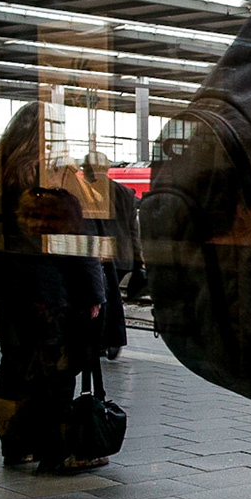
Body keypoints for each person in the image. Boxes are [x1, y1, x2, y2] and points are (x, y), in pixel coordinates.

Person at [1, 188, 107, 474]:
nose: (41, 223)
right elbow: (88, 268)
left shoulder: (25, 243)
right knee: (53, 385)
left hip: (49, 318)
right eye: (34, 216)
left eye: (50, 217)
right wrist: (93, 298)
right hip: (51, 321)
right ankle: (53, 452)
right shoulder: (50, 242)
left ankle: (20, 444)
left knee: (37, 385)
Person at [80, 152, 138, 359]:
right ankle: (113, 340)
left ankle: (105, 341)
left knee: (101, 299)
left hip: (101, 254)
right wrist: (138, 258)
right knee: (112, 298)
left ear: (87, 169)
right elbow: (133, 229)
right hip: (123, 256)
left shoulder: (86, 192)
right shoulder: (125, 192)